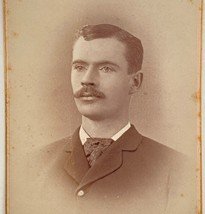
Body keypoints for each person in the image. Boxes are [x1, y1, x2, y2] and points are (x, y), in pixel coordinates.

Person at [31, 24, 196, 214]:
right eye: (79, 67)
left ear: (135, 82)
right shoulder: (33, 165)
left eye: (106, 68)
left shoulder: (177, 170)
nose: (87, 79)